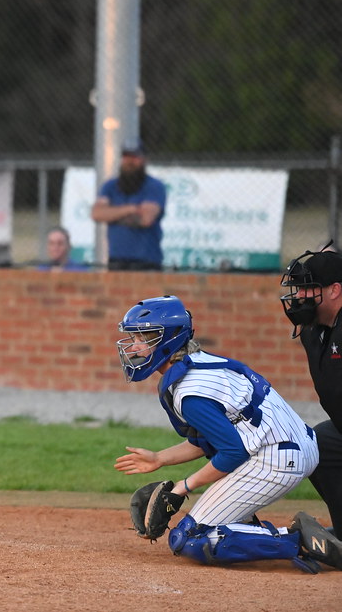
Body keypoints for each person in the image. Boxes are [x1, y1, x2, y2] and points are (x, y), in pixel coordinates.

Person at [113, 295, 341, 572]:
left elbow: (233, 451)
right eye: (134, 338)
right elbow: (215, 439)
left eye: (143, 338)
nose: (134, 347)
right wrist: (160, 458)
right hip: (295, 446)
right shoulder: (200, 362)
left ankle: (299, 540)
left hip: (275, 459)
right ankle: (241, 522)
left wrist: (182, 487)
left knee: (189, 538)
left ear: (169, 340)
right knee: (210, 524)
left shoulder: (189, 393)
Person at [279, 245, 342, 532]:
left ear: (335, 290)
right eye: (299, 289)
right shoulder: (313, 331)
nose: (300, 297)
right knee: (318, 445)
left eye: (308, 288)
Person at [90, 141, 166, 270]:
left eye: (135, 157)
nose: (130, 161)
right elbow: (97, 214)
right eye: (126, 157)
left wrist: (112, 215)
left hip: (147, 261)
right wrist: (131, 209)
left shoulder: (154, 186)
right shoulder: (110, 186)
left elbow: (146, 219)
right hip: (116, 259)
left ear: (144, 159)